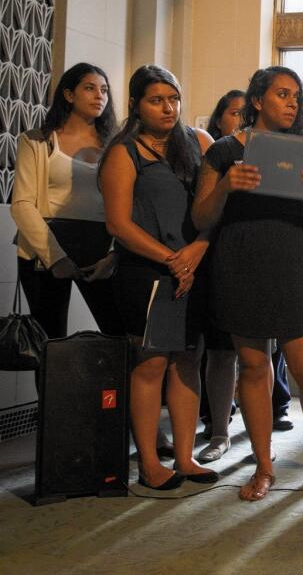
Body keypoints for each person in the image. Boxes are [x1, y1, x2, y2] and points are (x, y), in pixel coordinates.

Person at [192, 65, 303, 500]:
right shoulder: (225, 151)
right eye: (282, 94)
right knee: (253, 367)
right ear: (258, 100)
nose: (292, 103)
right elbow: (201, 217)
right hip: (242, 264)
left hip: (295, 265)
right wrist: (226, 187)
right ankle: (264, 467)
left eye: (297, 97)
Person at [99, 64, 215, 490]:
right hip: (147, 271)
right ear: (134, 104)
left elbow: (214, 209)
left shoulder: (198, 144)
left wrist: (197, 250)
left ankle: (184, 458)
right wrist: (173, 260)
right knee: (151, 366)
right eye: (156, 100)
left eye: (173, 99)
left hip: (194, 269)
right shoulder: (124, 152)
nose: (168, 108)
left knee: (188, 362)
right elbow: (118, 224)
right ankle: (149, 463)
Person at [12, 63, 122, 339]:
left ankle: (113, 385)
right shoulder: (37, 140)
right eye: (90, 88)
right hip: (45, 251)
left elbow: (128, 204)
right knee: (50, 341)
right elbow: (22, 203)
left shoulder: (118, 145)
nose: (100, 95)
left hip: (101, 250)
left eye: (105, 90)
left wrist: (113, 255)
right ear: (69, 94)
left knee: (120, 333)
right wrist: (56, 259)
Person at [195, 89, 245, 463]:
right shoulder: (219, 153)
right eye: (236, 112)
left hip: (267, 262)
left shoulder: (286, 150)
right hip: (221, 258)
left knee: (261, 356)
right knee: (220, 351)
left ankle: (260, 435)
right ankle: (219, 430)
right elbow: (202, 215)